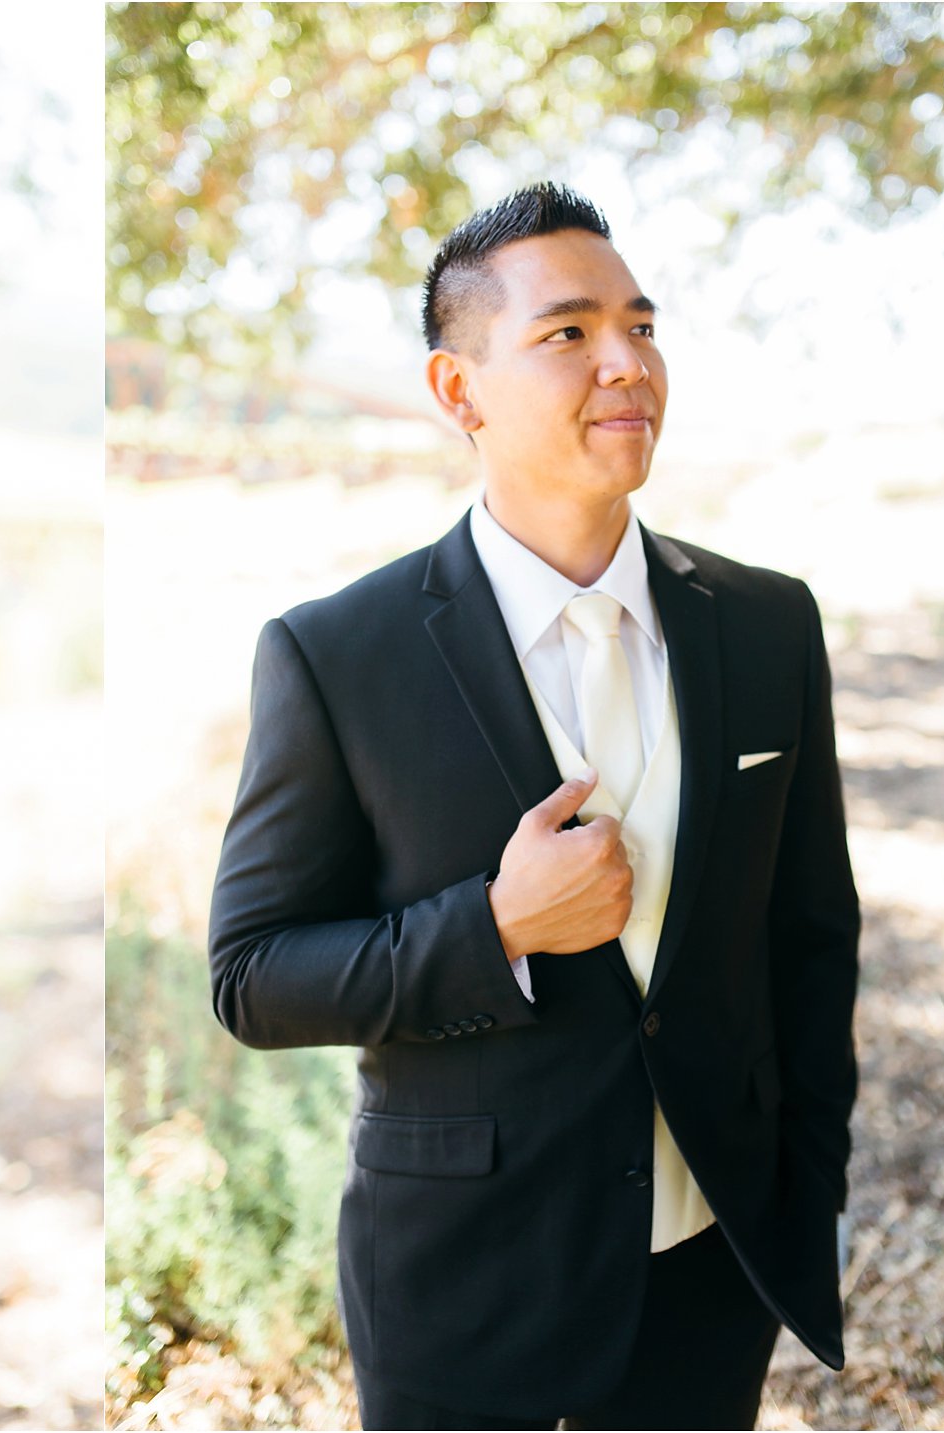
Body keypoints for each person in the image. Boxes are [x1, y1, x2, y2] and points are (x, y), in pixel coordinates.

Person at [208, 183, 858, 1430]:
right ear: (458, 391)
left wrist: (801, 1186)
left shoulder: (770, 624)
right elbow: (251, 975)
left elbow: (809, 935)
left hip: (712, 1272)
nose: (627, 362)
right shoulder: (336, 653)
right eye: (567, 332)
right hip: (463, 1278)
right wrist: (492, 926)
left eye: (642, 324)